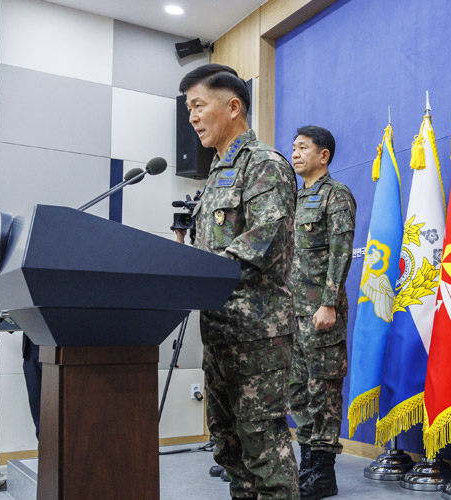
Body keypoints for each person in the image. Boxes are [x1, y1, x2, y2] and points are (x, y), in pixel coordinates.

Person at [178, 64, 299, 500]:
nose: (191, 116)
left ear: (233, 106)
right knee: (227, 444)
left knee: (263, 445)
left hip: (257, 334)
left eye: (198, 105)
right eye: (188, 107)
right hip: (219, 329)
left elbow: (263, 241)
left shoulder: (264, 164)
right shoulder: (215, 174)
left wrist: (195, 274)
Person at [288, 126, 355, 500]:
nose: (295, 153)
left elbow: (341, 251)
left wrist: (328, 302)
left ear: (323, 155)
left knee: (323, 391)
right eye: (294, 148)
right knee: (299, 392)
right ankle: (306, 463)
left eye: (303, 148)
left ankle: (323, 473)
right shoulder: (296, 199)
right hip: (294, 314)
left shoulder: (336, 196)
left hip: (320, 312)